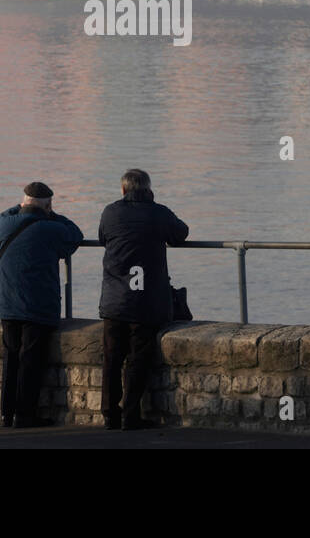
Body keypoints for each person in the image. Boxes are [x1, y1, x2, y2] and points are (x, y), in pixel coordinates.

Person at [97, 168, 189, 430]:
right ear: (148, 190)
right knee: (138, 358)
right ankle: (130, 415)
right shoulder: (158, 213)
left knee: (112, 359)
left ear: (123, 190)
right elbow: (181, 233)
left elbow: (103, 237)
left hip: (114, 300)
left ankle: (109, 415)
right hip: (146, 302)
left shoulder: (110, 212)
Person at [0, 182, 83, 428]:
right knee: (30, 358)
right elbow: (75, 234)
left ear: (23, 202)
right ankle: (25, 415)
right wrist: (51, 214)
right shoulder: (52, 228)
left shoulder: (6, 225)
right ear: (48, 206)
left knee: (11, 356)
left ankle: (7, 414)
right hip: (36, 304)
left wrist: (18, 209)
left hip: (6, 302)